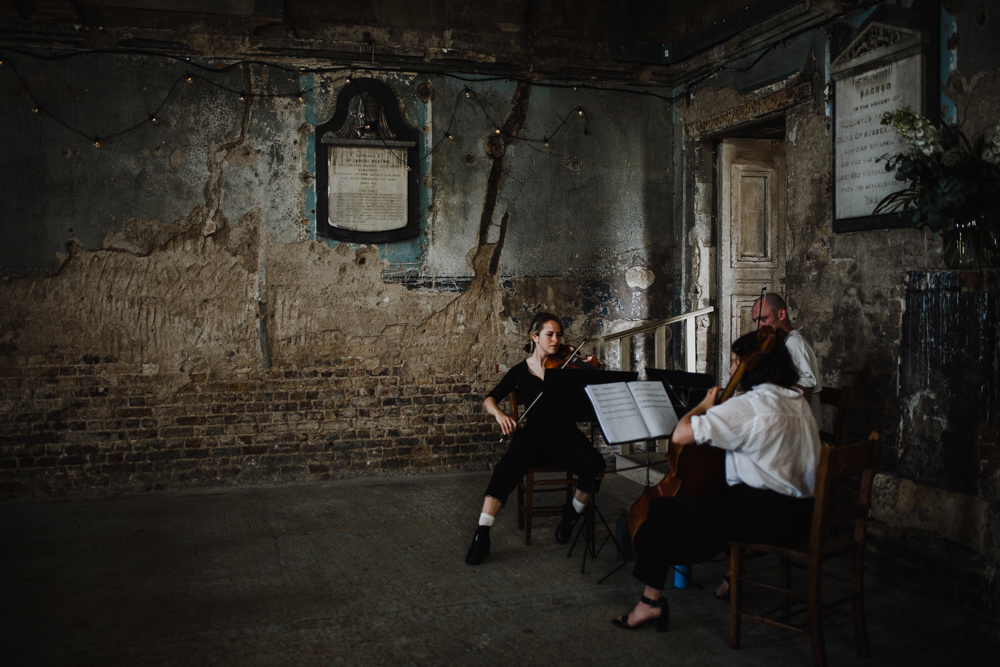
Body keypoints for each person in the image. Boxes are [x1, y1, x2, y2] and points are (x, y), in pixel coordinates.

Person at [611, 328, 820, 631]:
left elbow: (682, 434)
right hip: (804, 516)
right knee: (722, 495)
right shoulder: (794, 399)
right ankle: (730, 578)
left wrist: (703, 406)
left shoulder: (747, 405)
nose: (732, 368)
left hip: (766, 520)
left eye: (735, 362)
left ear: (752, 365)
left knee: (662, 511)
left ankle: (649, 604)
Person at [465, 312, 607, 565]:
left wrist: (588, 372)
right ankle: (482, 534)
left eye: (559, 335)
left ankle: (571, 514)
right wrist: (499, 414)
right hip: (532, 437)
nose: (556, 340)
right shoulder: (519, 371)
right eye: (550, 334)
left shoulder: (568, 368)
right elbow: (490, 398)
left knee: (596, 464)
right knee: (504, 471)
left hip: (565, 436)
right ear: (535, 337)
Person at [751, 293, 822, 403]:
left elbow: (804, 397)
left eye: (763, 319)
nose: (758, 327)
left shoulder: (794, 343)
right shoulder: (780, 344)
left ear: (781, 314)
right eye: (755, 321)